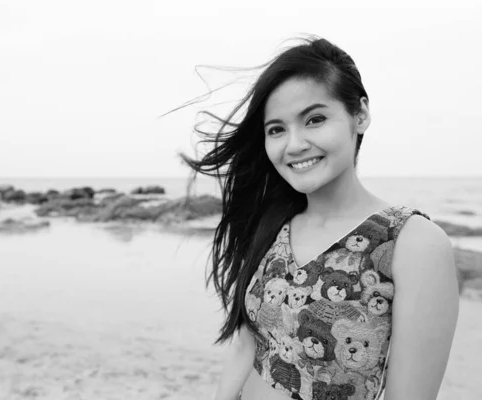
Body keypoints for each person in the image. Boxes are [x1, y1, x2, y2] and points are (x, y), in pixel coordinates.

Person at [180, 36, 459, 400]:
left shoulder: (412, 242)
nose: (294, 144)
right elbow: (245, 347)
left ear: (360, 114)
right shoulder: (271, 227)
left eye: (314, 119)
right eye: (276, 129)